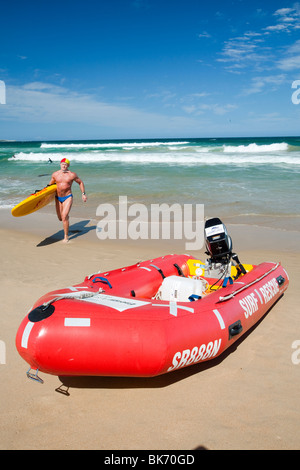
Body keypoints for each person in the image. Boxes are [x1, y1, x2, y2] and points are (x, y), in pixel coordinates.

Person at [49, 158, 87, 242]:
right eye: (62, 164)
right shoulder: (55, 174)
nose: (64, 165)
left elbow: (80, 182)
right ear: (60, 164)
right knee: (60, 218)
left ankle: (66, 236)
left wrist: (83, 194)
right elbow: (50, 185)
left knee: (64, 216)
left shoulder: (72, 175)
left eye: (65, 164)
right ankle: (66, 218)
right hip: (57, 198)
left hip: (68, 197)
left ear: (68, 166)